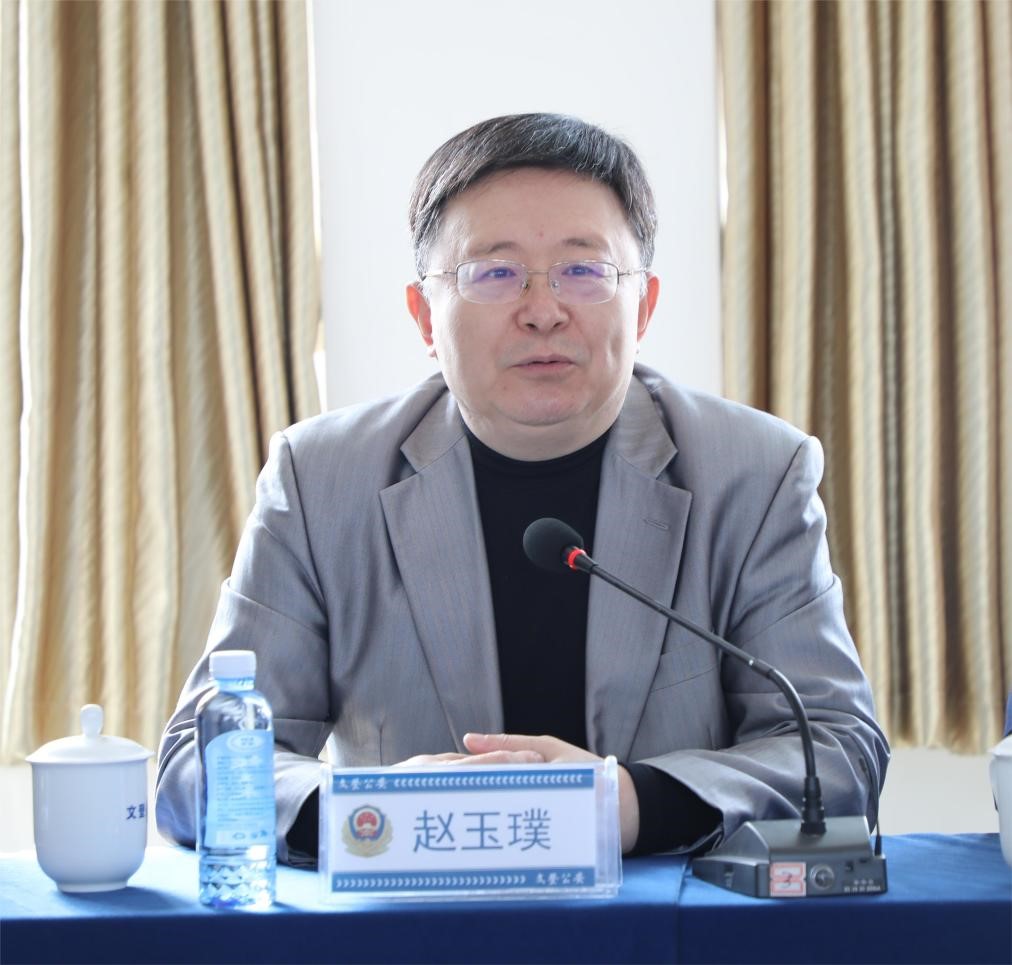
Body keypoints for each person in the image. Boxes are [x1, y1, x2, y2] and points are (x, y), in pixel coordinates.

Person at [156, 113, 889, 865]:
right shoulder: (321, 481)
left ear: (643, 306)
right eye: (494, 274)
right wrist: (377, 810)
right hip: (411, 911)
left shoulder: (753, 473)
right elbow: (194, 767)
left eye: (584, 271)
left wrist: (629, 803)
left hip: (662, 917)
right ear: (425, 317)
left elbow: (837, 751)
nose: (543, 311)